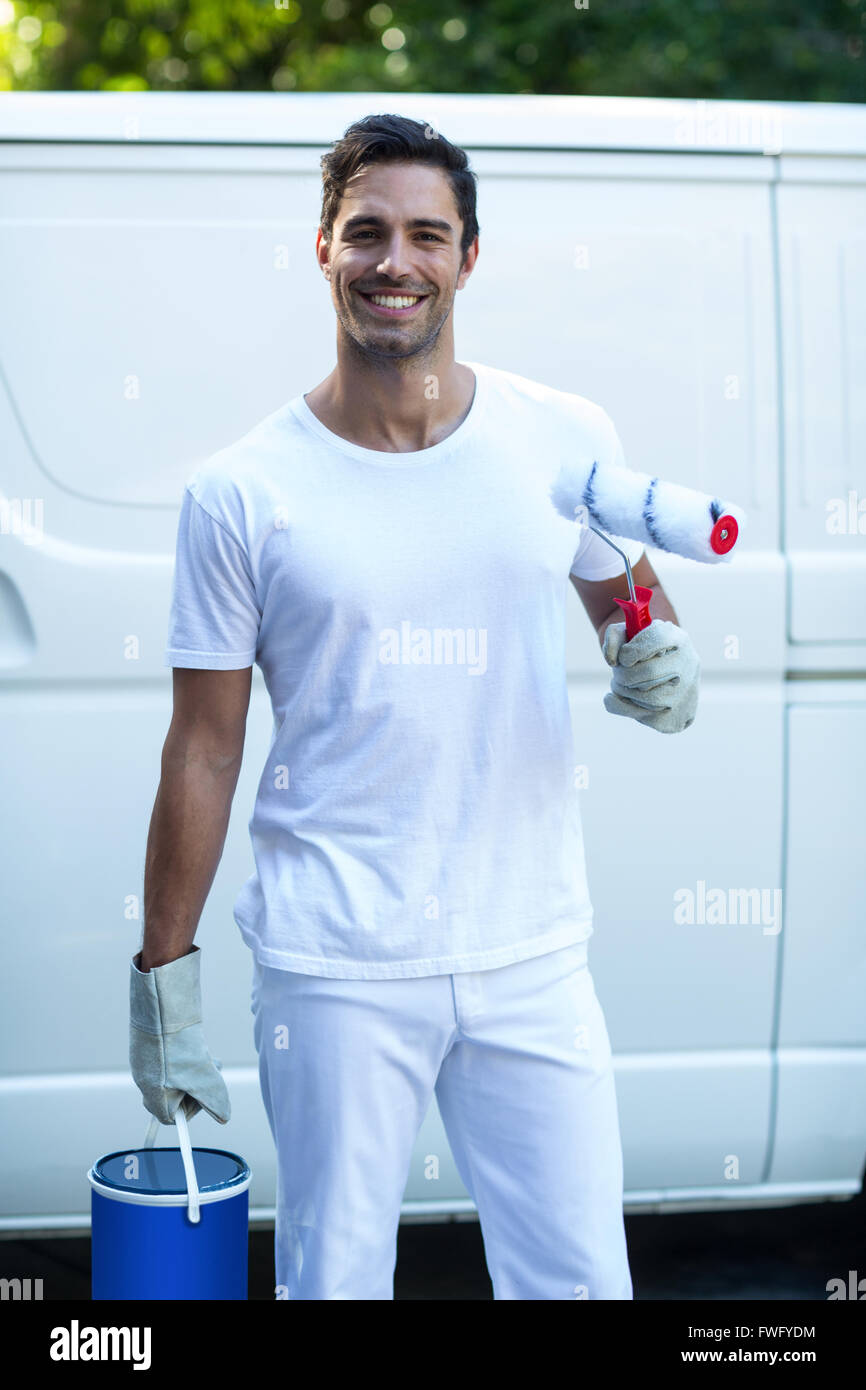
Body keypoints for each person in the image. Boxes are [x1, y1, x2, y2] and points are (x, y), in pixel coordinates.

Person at [130, 112, 699, 1301]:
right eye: (368, 233)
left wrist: (651, 655)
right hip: (333, 961)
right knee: (334, 1285)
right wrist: (163, 978)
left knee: (580, 1285)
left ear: (467, 257)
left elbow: (621, 601)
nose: (397, 261)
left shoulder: (559, 436)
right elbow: (203, 747)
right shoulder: (240, 491)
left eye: (425, 236)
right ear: (325, 250)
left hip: (531, 944)